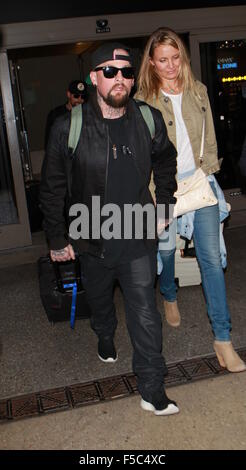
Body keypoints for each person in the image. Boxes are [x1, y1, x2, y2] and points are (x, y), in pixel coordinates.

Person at [39, 42, 180, 415]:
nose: (120, 79)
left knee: (145, 313)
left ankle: (152, 389)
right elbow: (52, 187)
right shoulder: (69, 126)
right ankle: (103, 333)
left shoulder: (148, 119)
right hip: (90, 235)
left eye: (127, 72)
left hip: (136, 233)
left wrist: (164, 203)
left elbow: (167, 161)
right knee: (101, 302)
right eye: (111, 71)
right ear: (93, 78)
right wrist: (57, 237)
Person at [136, 27, 246, 373]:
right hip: (162, 190)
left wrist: (211, 173)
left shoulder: (198, 91)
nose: (171, 66)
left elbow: (209, 139)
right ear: (152, 63)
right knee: (165, 251)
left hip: (199, 184)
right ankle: (169, 293)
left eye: (175, 58)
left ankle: (223, 339)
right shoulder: (142, 101)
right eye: (163, 60)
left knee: (211, 260)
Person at [44, 79, 87, 149]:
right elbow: (49, 143)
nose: (80, 100)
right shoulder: (56, 114)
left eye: (83, 97)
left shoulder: (88, 114)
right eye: (76, 96)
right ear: (68, 94)